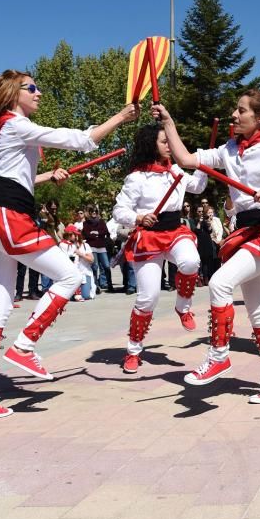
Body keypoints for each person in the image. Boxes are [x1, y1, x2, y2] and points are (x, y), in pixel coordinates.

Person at [0, 70, 138, 418]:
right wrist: (120, 116)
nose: (38, 93)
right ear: (14, 94)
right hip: (10, 217)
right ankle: (25, 345)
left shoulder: (6, 129)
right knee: (70, 277)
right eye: (32, 88)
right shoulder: (15, 123)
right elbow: (78, 139)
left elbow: (14, 177)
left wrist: (45, 176)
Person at [152, 89, 260, 404]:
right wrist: (169, 121)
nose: (234, 116)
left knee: (220, 282)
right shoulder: (229, 149)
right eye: (235, 110)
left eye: (241, 111)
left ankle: (219, 354)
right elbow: (185, 159)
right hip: (246, 232)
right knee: (259, 311)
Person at [112, 123, 207, 373]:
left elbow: (197, 186)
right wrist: (139, 217)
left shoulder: (175, 171)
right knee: (148, 298)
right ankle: (133, 350)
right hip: (149, 237)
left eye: (169, 141)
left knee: (190, 262)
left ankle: (183, 307)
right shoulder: (137, 177)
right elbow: (119, 210)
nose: (169, 145)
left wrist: (203, 164)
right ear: (150, 144)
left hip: (175, 231)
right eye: (164, 142)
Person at [81, 206, 113, 293]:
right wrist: (97, 235)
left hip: (102, 246)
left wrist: (96, 232)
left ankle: (110, 284)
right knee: (95, 267)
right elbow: (86, 234)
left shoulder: (101, 221)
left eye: (95, 211)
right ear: (90, 213)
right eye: (92, 211)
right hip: (92, 247)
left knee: (106, 266)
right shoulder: (86, 223)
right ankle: (96, 286)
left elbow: (105, 232)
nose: (94, 213)